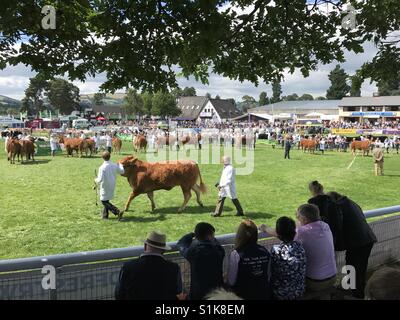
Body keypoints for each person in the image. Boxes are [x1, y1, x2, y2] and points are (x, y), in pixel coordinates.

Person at [327, 191, 377, 298]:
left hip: (358, 242)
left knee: (353, 266)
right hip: (367, 239)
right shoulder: (351, 203)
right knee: (359, 267)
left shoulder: (338, 206)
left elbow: (337, 226)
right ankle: (355, 289)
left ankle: (356, 293)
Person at [115, 231, 183, 300]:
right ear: (163, 250)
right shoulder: (174, 268)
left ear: (145, 246)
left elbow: (118, 294)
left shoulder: (128, 267)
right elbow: (178, 292)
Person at [295, 204, 337, 299]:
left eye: (298, 216)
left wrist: (265, 229)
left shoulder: (301, 232)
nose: (297, 218)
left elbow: (285, 235)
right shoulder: (325, 226)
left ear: (305, 219)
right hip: (333, 276)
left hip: (316, 282)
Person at [260, 217, 306, 300]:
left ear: (278, 233)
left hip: (280, 294)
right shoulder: (300, 246)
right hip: (299, 290)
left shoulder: (276, 250)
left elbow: (269, 271)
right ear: (294, 232)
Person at [177, 222, 225, 300]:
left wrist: (191, 235)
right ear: (209, 235)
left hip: (198, 294)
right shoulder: (219, 251)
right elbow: (215, 242)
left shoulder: (193, 252)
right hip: (217, 293)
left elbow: (181, 244)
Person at [227, 220, 271, 300]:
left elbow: (231, 281)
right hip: (263, 294)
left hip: (242, 295)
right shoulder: (264, 251)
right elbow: (267, 275)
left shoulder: (236, 254)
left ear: (239, 235)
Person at [308, 181, 345, 250]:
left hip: (324, 234)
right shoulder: (331, 199)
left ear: (311, 191)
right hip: (335, 233)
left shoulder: (313, 202)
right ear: (322, 188)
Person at [94, 151, 124, 219]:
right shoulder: (114, 165)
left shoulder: (102, 167)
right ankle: (105, 216)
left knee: (103, 201)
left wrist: (95, 180)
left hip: (105, 186)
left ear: (102, 158)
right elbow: (122, 171)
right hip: (112, 184)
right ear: (110, 156)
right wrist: (120, 165)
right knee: (106, 200)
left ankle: (117, 211)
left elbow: (100, 179)